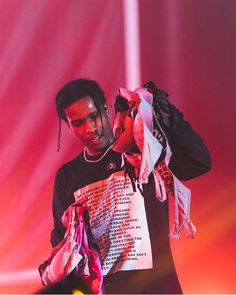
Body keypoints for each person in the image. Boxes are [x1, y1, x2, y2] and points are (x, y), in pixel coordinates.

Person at [44, 78, 211, 294]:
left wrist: (166, 112)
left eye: (94, 116)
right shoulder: (67, 176)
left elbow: (199, 163)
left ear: (106, 109)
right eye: (78, 123)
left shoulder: (140, 149)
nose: (90, 128)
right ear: (68, 125)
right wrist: (66, 227)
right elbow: (61, 251)